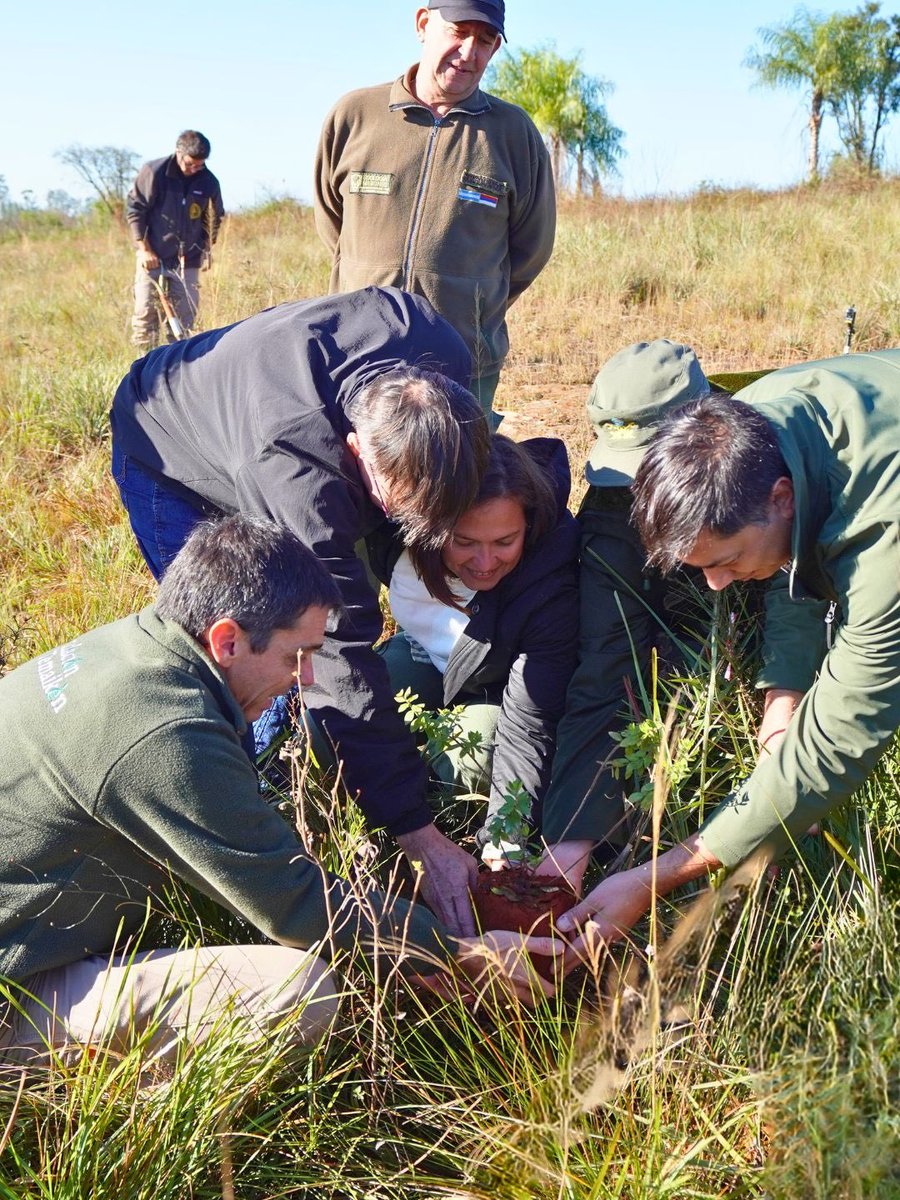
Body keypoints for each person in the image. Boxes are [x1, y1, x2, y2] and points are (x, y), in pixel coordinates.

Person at [0, 515, 562, 1066]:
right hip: (12, 988)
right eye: (297, 656)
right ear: (227, 640)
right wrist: (453, 950)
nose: (308, 678)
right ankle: (129, 1130)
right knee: (297, 995)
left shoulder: (138, 648)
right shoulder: (162, 732)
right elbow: (290, 901)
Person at [109, 286, 490, 937]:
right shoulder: (299, 476)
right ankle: (257, 803)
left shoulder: (440, 348)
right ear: (356, 450)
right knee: (244, 651)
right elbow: (338, 652)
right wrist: (417, 833)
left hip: (252, 391)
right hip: (166, 437)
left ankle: (316, 754)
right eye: (391, 501)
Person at [556, 349, 900, 955]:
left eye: (726, 562)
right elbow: (802, 556)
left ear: (780, 497)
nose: (715, 584)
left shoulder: (884, 534)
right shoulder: (754, 433)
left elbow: (841, 739)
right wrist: (784, 699)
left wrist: (656, 876)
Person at [314, 0, 556, 421]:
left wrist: (470, 302)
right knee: (351, 480)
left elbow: (530, 250)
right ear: (424, 24)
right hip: (358, 354)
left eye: (485, 40)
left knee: (458, 483)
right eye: (458, 32)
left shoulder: (513, 134)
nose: (469, 52)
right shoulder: (354, 115)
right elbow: (333, 223)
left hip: (462, 364)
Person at [537, 341, 720, 892]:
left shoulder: (762, 473)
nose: (638, 490)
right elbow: (606, 658)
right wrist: (570, 836)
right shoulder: (615, 501)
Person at [367, 433, 579, 843]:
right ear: (427, 523)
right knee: (347, 716)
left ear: (528, 525)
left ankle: (436, 814)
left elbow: (530, 719)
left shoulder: (550, 582)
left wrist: (506, 835)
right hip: (425, 655)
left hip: (496, 688)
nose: (484, 563)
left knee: (480, 753)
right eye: (463, 542)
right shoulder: (388, 528)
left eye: (504, 542)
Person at [126, 130, 225, 349]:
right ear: (178, 152)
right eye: (190, 164)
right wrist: (144, 249)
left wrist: (207, 249)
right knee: (145, 314)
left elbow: (215, 218)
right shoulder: (154, 172)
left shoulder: (209, 182)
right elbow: (135, 210)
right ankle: (143, 370)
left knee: (185, 320)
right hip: (153, 255)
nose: (195, 169)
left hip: (188, 259)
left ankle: (179, 369)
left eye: (200, 165)